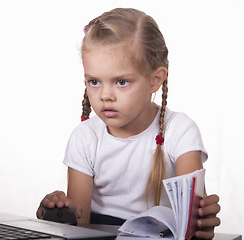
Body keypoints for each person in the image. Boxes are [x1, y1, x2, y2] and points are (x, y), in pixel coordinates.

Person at [36, 8, 220, 239]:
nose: (105, 95)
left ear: (155, 80)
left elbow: (192, 222)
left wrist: (201, 224)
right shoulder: (85, 137)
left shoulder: (180, 131)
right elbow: (78, 225)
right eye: (94, 81)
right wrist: (59, 213)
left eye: (121, 82)